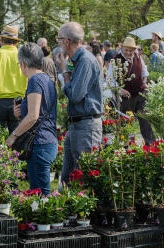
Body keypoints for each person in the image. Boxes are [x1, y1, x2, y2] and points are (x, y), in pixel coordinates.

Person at [6, 42, 57, 195]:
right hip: (48, 140)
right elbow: (40, 110)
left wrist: (13, 136)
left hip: (39, 143)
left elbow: (34, 116)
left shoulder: (34, 81)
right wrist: (21, 113)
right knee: (41, 194)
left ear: (23, 64)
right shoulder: (47, 79)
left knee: (40, 196)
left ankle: (43, 220)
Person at [55, 22, 103, 185]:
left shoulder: (85, 61)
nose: (58, 43)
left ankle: (84, 212)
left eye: (59, 39)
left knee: (84, 179)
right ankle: (69, 210)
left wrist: (63, 70)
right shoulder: (79, 60)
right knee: (68, 178)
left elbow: (75, 95)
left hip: (86, 125)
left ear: (66, 41)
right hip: (78, 125)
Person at [107, 37, 155, 146]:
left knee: (145, 120)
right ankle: (126, 147)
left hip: (141, 94)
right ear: (122, 48)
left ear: (134, 49)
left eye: (131, 50)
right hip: (126, 97)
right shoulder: (115, 60)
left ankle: (152, 146)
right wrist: (120, 90)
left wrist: (145, 83)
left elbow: (144, 72)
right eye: (126, 50)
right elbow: (109, 80)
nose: (129, 53)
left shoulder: (138, 56)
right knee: (126, 122)